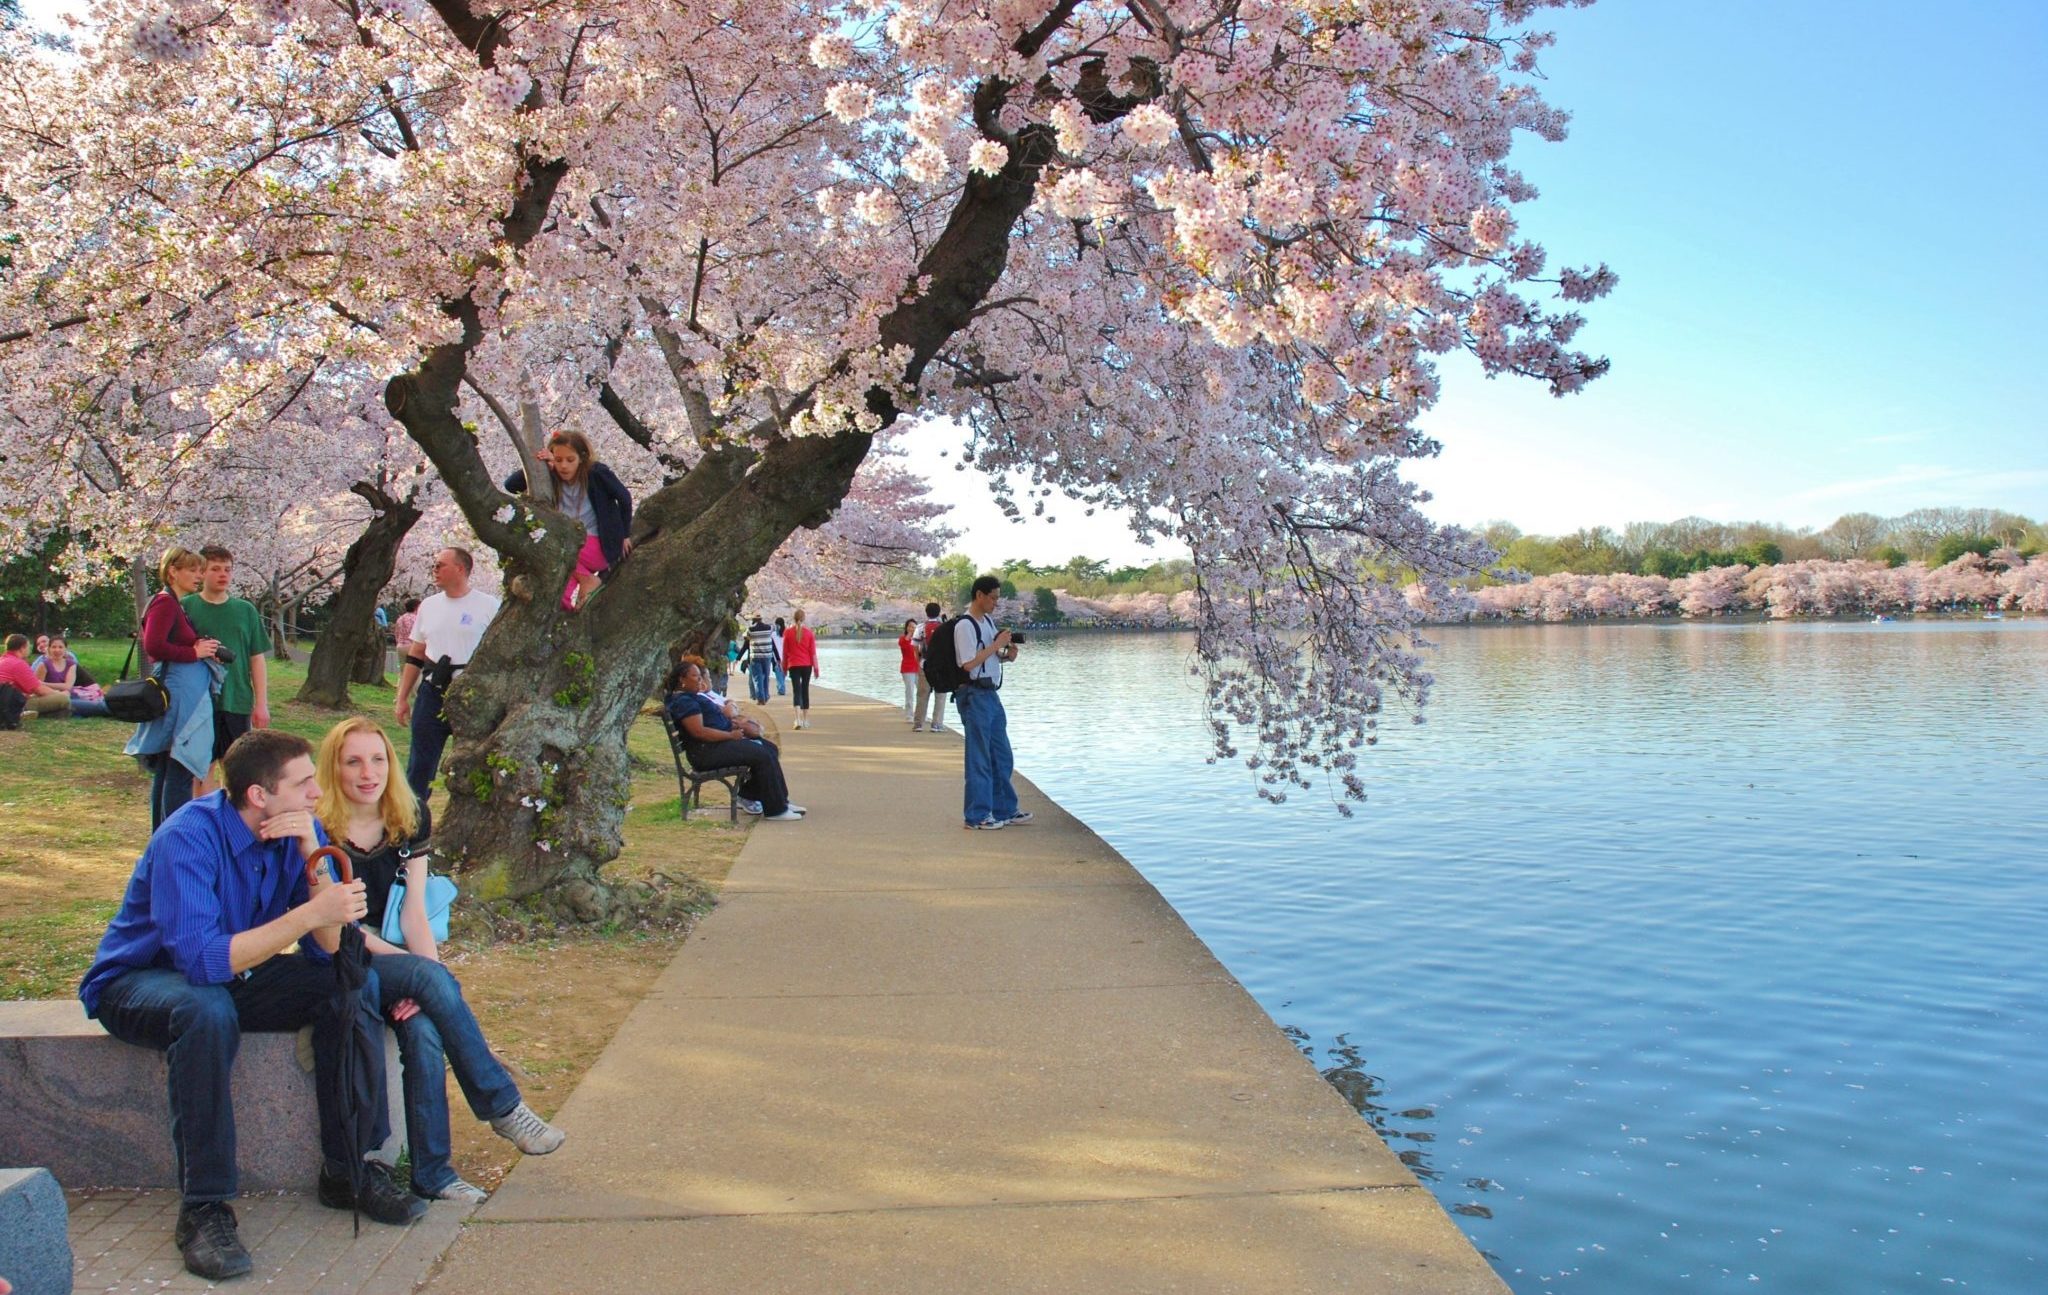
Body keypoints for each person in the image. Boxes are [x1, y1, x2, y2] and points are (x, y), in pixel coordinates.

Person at [79, 730, 424, 1280]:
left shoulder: (300, 831)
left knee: (348, 986)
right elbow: (199, 963)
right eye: (304, 782)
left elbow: (331, 951)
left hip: (231, 972)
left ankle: (347, 1171)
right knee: (205, 1011)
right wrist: (310, 915)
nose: (318, 793)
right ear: (260, 796)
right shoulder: (187, 838)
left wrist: (313, 857)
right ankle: (203, 1209)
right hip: (140, 981)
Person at [314, 718, 565, 1204]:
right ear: (334, 768)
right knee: (428, 989)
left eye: (378, 759)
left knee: (424, 1029)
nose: (369, 773)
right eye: (354, 761)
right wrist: (422, 976)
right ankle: (503, 1107)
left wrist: (420, 981)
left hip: (397, 957)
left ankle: (433, 1175)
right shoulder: (318, 828)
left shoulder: (409, 816)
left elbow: (414, 913)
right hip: (338, 961)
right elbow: (342, 930)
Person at [128, 549, 227, 828]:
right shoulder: (165, 604)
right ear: (173, 571)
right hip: (180, 697)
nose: (199, 576)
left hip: (186, 693)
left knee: (169, 768)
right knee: (179, 765)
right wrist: (193, 654)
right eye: (194, 570)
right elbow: (154, 647)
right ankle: (174, 835)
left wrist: (204, 649)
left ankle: (163, 833)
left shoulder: (174, 604)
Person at [395, 548, 500, 807]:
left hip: (473, 694)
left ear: (460, 569)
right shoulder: (429, 606)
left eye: (440, 565)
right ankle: (413, 823)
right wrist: (402, 697)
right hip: (433, 690)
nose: (434, 570)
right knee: (420, 763)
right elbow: (416, 654)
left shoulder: (489, 605)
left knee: (475, 761)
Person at [502, 430, 633, 611]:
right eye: (559, 459)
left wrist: (625, 534)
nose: (564, 466)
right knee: (557, 592)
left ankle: (588, 579)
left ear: (582, 458)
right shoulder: (551, 475)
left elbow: (625, 498)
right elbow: (510, 485)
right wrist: (540, 464)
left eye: (570, 460)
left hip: (598, 544)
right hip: (570, 550)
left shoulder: (596, 473)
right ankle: (568, 611)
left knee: (553, 549)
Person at [664, 659, 806, 821]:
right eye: (695, 676)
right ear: (682, 680)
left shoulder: (690, 697)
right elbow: (699, 732)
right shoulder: (684, 702)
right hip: (706, 752)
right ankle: (775, 810)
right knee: (761, 754)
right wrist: (731, 735)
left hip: (716, 745)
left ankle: (774, 799)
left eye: (700, 676)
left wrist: (736, 725)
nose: (700, 680)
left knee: (769, 748)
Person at [183, 546, 272, 795]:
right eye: (215, 569)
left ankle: (231, 825)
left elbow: (257, 658)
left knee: (236, 769)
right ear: (202, 572)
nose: (223, 575)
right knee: (200, 768)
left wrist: (261, 703)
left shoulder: (245, 611)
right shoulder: (186, 607)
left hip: (237, 700)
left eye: (227, 570)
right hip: (198, 700)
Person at [954, 576, 1031, 831]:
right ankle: (976, 815)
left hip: (990, 694)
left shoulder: (986, 621)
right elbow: (967, 663)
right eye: (993, 597)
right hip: (974, 695)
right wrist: (996, 645)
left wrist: (1005, 656)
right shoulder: (964, 625)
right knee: (979, 757)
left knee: (1002, 754)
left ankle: (1004, 808)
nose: (996, 603)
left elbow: (987, 658)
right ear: (979, 595)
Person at [29, 633, 112, 717]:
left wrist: (45, 684)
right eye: (54, 647)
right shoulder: (43, 665)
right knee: (100, 707)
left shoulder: (71, 664)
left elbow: (68, 686)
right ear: (49, 649)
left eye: (60, 647)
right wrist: (56, 693)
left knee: (100, 703)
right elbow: (37, 689)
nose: (57, 650)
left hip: (71, 695)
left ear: (65, 649)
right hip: (57, 698)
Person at [3, 632, 71, 724]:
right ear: (22, 648)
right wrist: (58, 694)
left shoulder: (3, 660)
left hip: (7, 700)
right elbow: (39, 690)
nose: (29, 649)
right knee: (64, 700)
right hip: (12, 705)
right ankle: (24, 713)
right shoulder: (18, 664)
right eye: (28, 647)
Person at [910, 601, 949, 733]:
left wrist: (918, 659)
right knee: (940, 694)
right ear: (938, 612)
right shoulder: (944, 627)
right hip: (941, 665)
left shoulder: (920, 627)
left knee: (922, 694)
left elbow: (915, 645)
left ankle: (918, 724)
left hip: (924, 664)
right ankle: (936, 724)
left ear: (926, 613)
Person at [782, 608, 819, 729]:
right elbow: (813, 653)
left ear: (794, 618)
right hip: (807, 665)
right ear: (804, 619)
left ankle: (797, 719)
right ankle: (805, 719)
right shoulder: (809, 633)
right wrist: (816, 669)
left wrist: (784, 668)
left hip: (794, 665)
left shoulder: (787, 633)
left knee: (796, 691)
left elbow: (785, 652)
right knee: (805, 690)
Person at [745, 613, 774, 704]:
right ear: (761, 619)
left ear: (753, 620)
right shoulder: (769, 628)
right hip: (767, 656)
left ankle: (761, 698)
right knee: (766, 677)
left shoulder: (750, 629)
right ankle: (766, 695)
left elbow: (746, 637)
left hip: (755, 656)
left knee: (758, 677)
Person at [897, 619, 921, 723]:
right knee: (910, 692)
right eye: (910, 626)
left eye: (914, 626)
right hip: (908, 668)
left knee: (922, 692)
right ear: (907, 627)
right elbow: (904, 644)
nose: (912, 628)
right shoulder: (903, 639)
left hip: (919, 668)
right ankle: (909, 715)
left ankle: (920, 714)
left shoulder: (919, 639)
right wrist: (910, 634)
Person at [771, 616, 788, 695]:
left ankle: (781, 687)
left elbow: (772, 646)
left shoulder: (773, 634)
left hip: (776, 656)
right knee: (783, 672)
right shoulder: (787, 633)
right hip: (786, 656)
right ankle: (781, 686)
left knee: (778, 673)